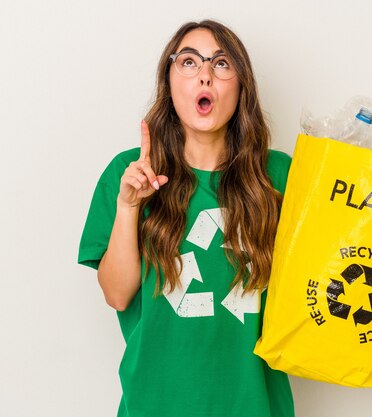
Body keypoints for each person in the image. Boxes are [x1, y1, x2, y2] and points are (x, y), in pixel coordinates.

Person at [78, 19, 295, 417]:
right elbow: (116, 294)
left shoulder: (279, 175)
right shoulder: (128, 172)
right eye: (189, 62)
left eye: (222, 63)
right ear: (170, 82)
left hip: (256, 406)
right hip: (155, 405)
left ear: (241, 85)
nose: (206, 76)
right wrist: (129, 207)